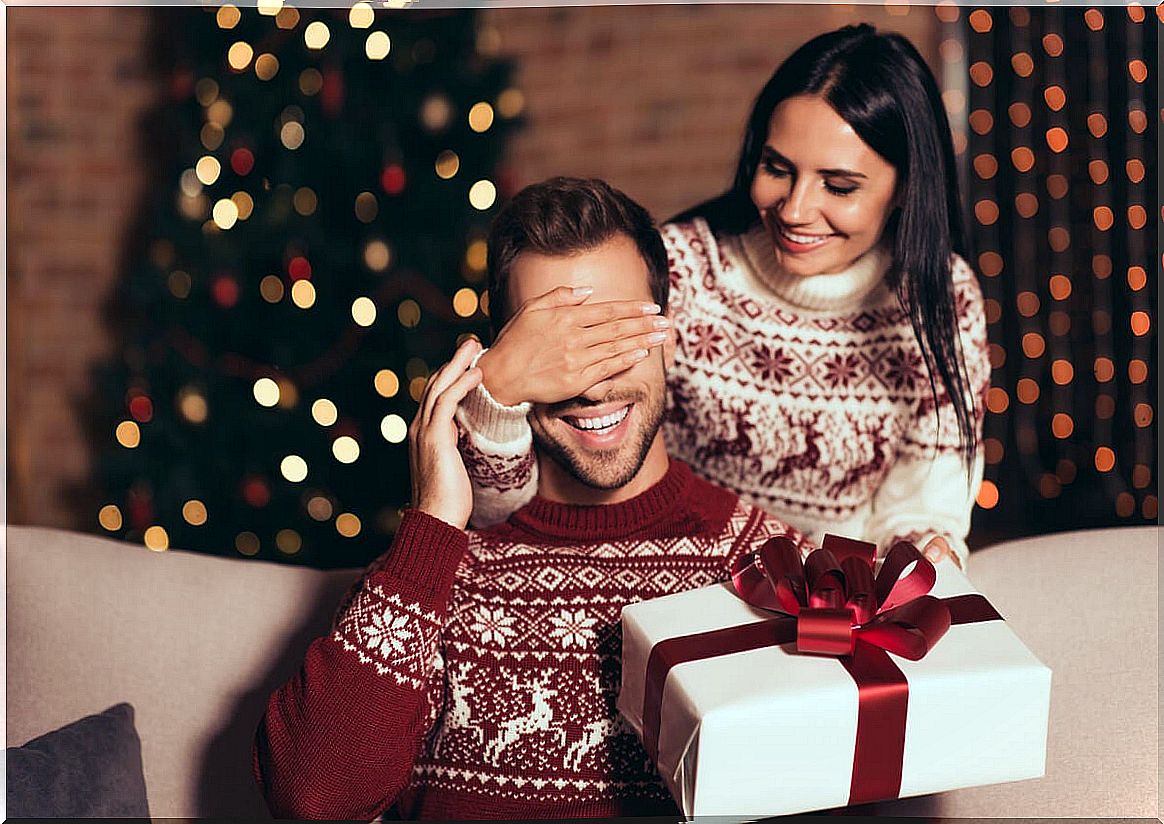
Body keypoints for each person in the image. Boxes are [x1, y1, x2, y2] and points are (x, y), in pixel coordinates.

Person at [252, 177, 811, 820]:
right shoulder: (436, 563)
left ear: (670, 338)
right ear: (505, 359)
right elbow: (311, 797)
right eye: (554, 347)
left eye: (612, 336)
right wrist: (434, 522)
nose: (589, 383)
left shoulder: (762, 562)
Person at [456, 24, 990, 571]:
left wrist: (921, 551)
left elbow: (923, 504)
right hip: (684, 581)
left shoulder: (944, 302)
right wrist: (497, 393)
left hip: (839, 595)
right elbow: (515, 497)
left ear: (906, 186)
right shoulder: (682, 270)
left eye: (839, 186)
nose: (796, 209)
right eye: (777, 169)